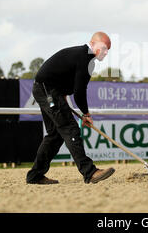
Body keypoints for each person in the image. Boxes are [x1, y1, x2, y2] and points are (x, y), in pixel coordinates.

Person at [26, 32, 115, 185]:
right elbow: (79, 92)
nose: (106, 52)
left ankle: (35, 175)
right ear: (93, 44)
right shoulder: (85, 59)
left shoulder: (83, 56)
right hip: (48, 91)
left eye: (108, 50)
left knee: (55, 134)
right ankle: (90, 172)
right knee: (70, 129)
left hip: (46, 90)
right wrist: (86, 114)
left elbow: (63, 79)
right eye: (104, 48)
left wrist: (63, 98)